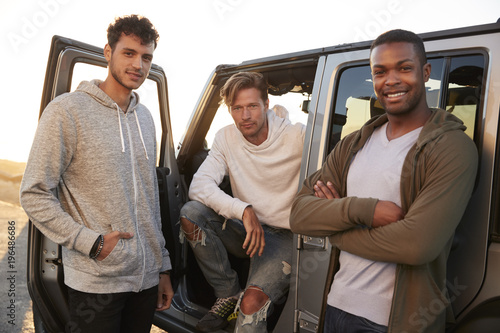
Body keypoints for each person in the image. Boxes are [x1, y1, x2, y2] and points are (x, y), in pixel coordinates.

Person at [290, 29, 478, 333]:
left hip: (391, 322)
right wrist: (364, 211)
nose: (390, 80)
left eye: (404, 68)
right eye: (380, 71)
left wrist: (336, 232)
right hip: (335, 308)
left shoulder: (452, 147)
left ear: (425, 72)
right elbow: (299, 214)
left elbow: (416, 245)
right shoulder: (354, 143)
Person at [20, 15, 173, 333]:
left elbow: (149, 200)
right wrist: (90, 242)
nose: (138, 65)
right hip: (96, 284)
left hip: (144, 282)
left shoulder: (145, 117)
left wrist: (162, 268)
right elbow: (34, 193)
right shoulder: (67, 111)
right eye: (128, 53)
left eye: (146, 57)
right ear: (108, 52)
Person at [179, 71, 305, 332]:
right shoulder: (226, 137)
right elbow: (199, 186)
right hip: (246, 229)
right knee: (191, 213)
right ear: (230, 110)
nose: (245, 116)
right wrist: (244, 210)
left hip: (285, 236)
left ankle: (243, 304)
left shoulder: (298, 137)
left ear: (266, 104)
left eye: (252, 106)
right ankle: (228, 293)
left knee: (251, 305)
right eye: (237, 108)